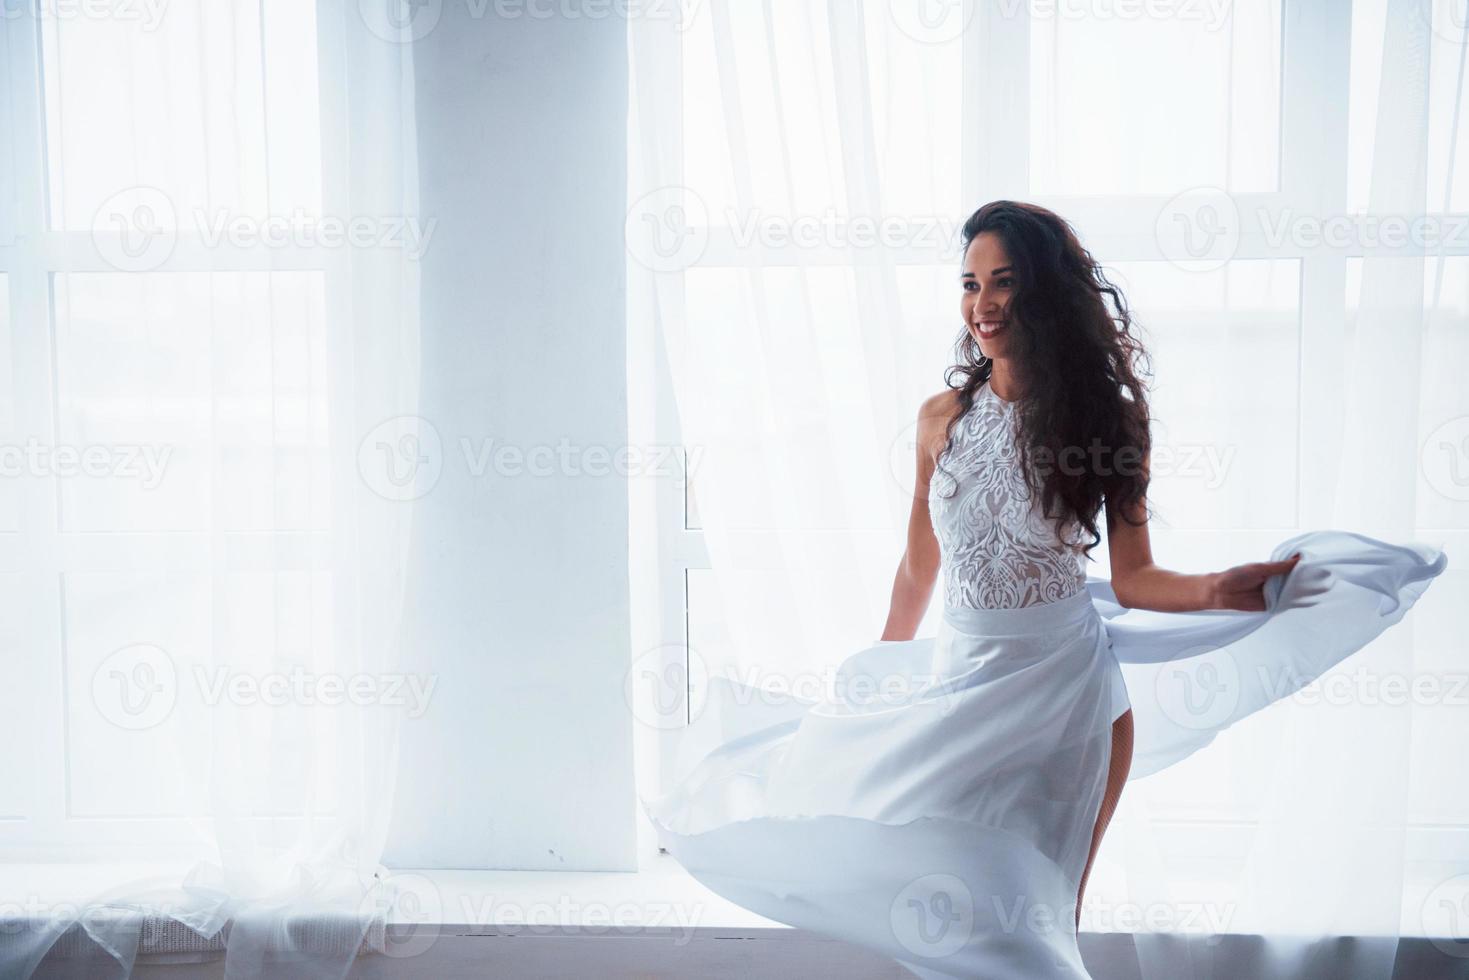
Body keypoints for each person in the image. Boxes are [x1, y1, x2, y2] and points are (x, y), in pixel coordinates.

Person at [641, 201, 1447, 980]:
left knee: (1036, 929)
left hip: (1066, 698)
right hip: (962, 682)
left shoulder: (1108, 420)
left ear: (1045, 291)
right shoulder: (938, 418)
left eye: (1004, 281)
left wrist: (1218, 589)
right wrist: (882, 677)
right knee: (938, 896)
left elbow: (1132, 579)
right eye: (969, 283)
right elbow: (919, 565)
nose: (982, 304)